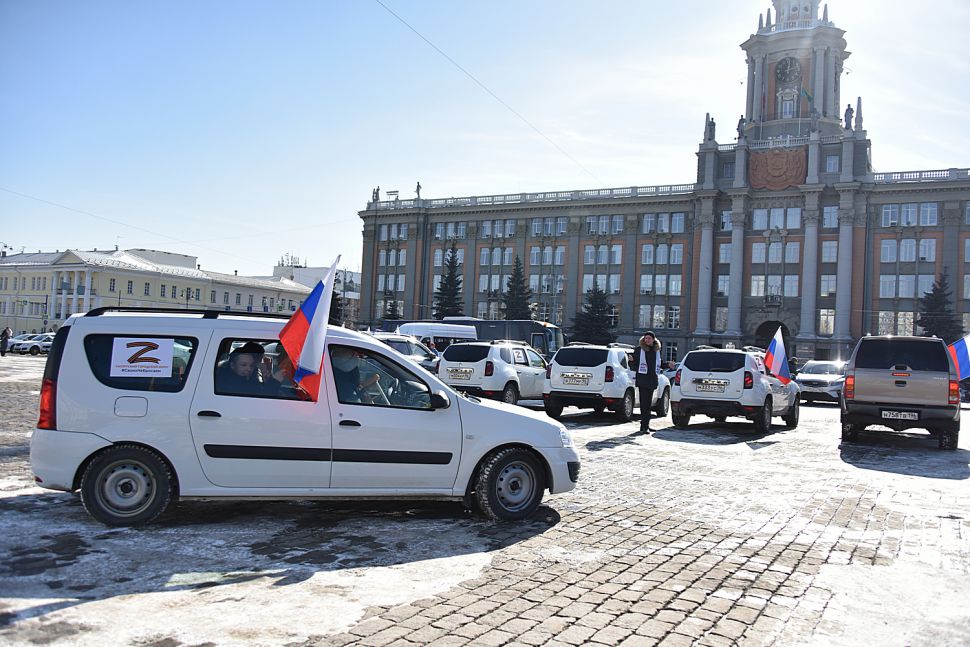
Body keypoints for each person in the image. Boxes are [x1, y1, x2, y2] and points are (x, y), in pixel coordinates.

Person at [633, 331, 662, 434]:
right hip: (642, 380)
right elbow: (634, 364)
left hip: (652, 380)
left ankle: (646, 425)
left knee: (648, 404)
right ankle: (644, 426)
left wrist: (668, 365)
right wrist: (631, 360)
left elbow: (659, 364)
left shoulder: (656, 351)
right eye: (645, 338)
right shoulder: (639, 350)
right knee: (644, 404)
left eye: (649, 338)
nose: (647, 340)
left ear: (653, 339)